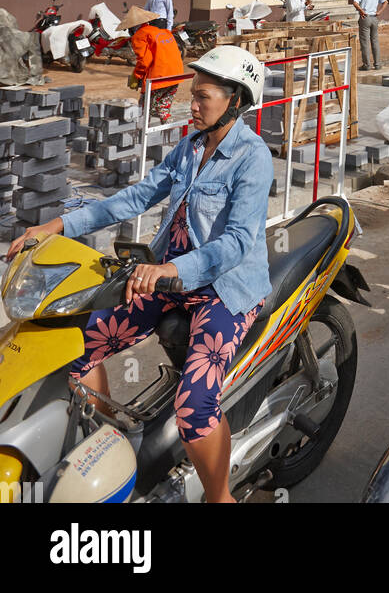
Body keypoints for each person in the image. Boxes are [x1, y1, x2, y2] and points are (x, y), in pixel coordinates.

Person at [5, 46, 272, 504]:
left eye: (203, 96)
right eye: (194, 94)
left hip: (223, 291)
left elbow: (236, 245)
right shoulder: (190, 147)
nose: (193, 104)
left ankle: (219, 495)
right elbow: (136, 197)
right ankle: (101, 452)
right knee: (78, 348)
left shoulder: (253, 157)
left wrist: (170, 268)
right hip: (167, 279)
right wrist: (58, 224)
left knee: (195, 408)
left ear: (236, 99)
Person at [118, 6, 184, 124]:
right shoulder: (163, 32)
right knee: (163, 108)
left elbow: (145, 60)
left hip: (159, 77)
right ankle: (169, 134)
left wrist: (137, 75)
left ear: (133, 27)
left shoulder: (140, 36)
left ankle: (140, 136)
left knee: (144, 109)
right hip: (176, 75)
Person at [352, 0, 389, 70]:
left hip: (365, 18)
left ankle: (367, 65)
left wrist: (361, 11)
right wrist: (379, 12)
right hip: (374, 18)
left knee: (365, 42)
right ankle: (377, 64)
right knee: (375, 41)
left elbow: (355, 3)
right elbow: (385, 2)